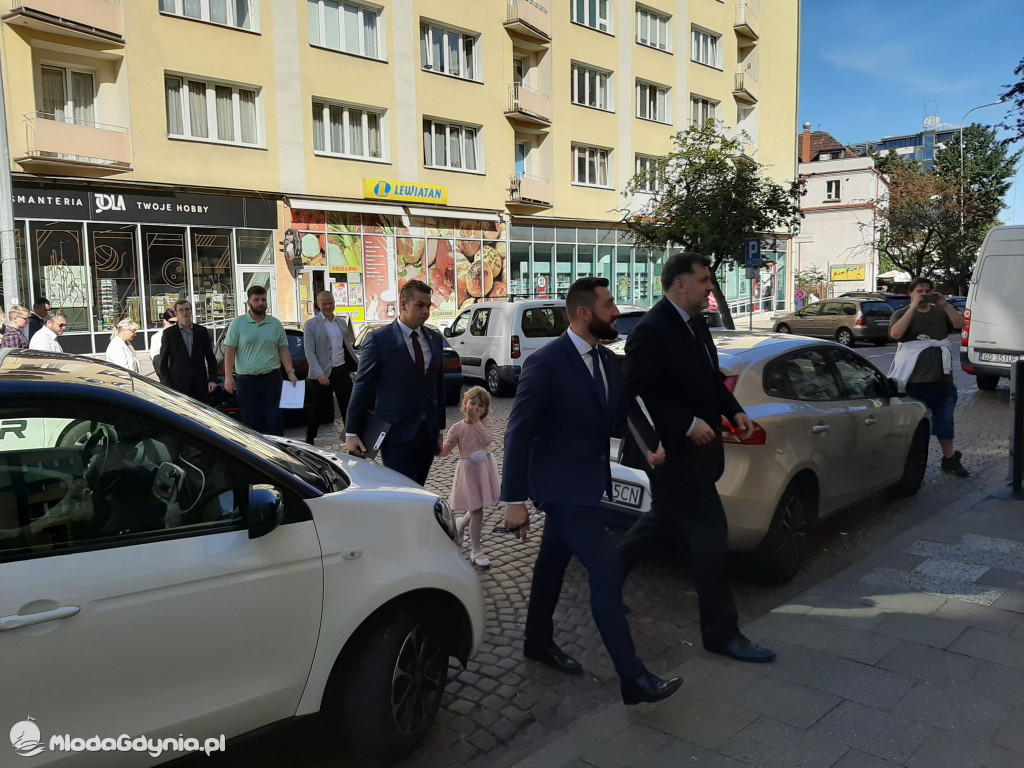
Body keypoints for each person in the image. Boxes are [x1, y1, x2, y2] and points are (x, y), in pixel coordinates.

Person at [501, 276, 681, 706]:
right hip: (561, 490)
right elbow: (518, 432)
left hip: (589, 484)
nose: (616, 311)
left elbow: (624, 414)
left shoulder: (607, 362)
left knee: (551, 564)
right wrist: (513, 500)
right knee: (605, 570)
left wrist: (652, 446)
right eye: (609, 304)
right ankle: (632, 679)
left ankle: (537, 641)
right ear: (585, 314)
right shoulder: (546, 363)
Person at [619, 253, 776, 664]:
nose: (711, 287)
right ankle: (721, 633)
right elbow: (632, 394)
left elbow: (711, 379)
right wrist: (686, 424)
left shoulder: (697, 324)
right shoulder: (650, 331)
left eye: (711, 280)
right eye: (705, 280)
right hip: (672, 455)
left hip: (700, 454)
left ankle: (607, 579)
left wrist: (734, 410)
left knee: (662, 520)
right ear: (680, 285)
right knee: (711, 535)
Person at [346, 280, 446, 485]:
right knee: (403, 490)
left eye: (428, 306)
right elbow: (362, 386)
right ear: (403, 305)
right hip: (395, 434)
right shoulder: (379, 340)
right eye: (420, 305)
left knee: (420, 488)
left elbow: (438, 386)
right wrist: (351, 431)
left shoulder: (435, 339)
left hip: (427, 432)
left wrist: (440, 429)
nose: (426, 311)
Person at [888, 276, 968, 476]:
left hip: (943, 382)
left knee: (945, 422)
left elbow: (960, 324)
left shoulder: (940, 312)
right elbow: (895, 335)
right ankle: (910, 465)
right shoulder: (901, 314)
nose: (923, 295)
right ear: (910, 294)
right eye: (919, 292)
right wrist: (912, 308)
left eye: (927, 291)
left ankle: (949, 459)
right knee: (914, 427)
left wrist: (946, 305)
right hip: (915, 382)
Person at [223, 286, 297, 435]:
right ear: (249, 302)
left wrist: (290, 373)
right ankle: (252, 457)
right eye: (256, 300)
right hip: (246, 381)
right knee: (250, 422)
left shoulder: (275, 324)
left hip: (271, 379)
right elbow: (230, 350)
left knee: (274, 419)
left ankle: (278, 455)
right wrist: (228, 377)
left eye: (263, 299)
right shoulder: (238, 324)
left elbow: (283, 349)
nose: (260, 303)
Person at [441, 386, 501, 569]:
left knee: (478, 507)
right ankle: (476, 550)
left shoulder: (486, 423)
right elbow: (445, 451)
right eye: (473, 403)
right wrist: (435, 443)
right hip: (468, 471)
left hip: (484, 469)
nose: (476, 408)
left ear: (485, 409)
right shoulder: (457, 428)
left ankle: (460, 524)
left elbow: (487, 441)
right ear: (465, 404)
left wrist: (477, 422)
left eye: (480, 406)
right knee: (477, 509)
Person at [303, 290, 357, 445]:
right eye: (324, 304)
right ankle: (310, 438)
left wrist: (357, 366)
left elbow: (347, 347)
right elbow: (310, 352)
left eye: (330, 303)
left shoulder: (341, 322)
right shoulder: (311, 325)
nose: (328, 306)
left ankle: (352, 441)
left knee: (348, 408)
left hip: (341, 370)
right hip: (321, 373)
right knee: (319, 409)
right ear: (318, 305)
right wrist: (320, 375)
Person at [158, 299, 219, 402]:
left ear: (191, 311)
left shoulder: (201, 331)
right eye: (181, 310)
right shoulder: (169, 334)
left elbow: (211, 358)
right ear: (176, 313)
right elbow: (163, 363)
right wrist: (168, 385)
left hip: (200, 386)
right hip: (178, 387)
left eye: (187, 309)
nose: (184, 312)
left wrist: (212, 380)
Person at [150, 308, 177, 380]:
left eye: (177, 322)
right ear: (165, 321)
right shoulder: (157, 337)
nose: (174, 324)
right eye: (172, 322)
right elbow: (155, 358)